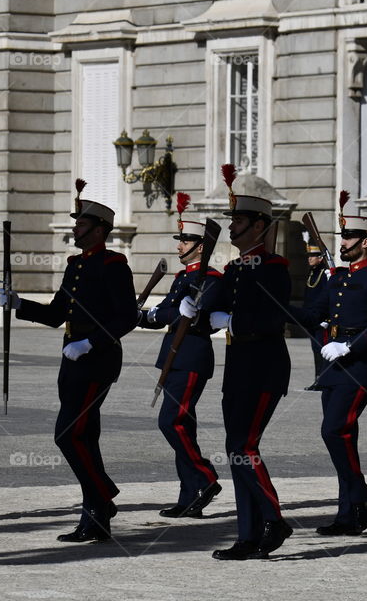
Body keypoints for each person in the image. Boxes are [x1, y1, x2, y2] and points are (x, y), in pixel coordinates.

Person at [0, 180, 137, 543]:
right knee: (84, 436)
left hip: (97, 358)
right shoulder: (75, 265)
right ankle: (96, 513)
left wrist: (91, 341)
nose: (74, 229)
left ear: (99, 229)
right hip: (72, 357)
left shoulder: (114, 264)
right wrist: (18, 304)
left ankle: (101, 499)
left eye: (80, 224)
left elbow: (127, 317)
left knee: (67, 433)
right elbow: (57, 314)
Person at [294, 193, 367, 535]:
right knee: (342, 437)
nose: (343, 243)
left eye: (348, 238)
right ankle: (348, 513)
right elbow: (312, 314)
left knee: (334, 429)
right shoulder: (337, 278)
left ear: (365, 242)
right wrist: (274, 303)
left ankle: (360, 495)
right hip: (333, 368)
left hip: (359, 365)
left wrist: (350, 345)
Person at [208, 168, 292, 560]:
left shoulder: (273, 268)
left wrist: (232, 320)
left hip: (263, 367)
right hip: (238, 368)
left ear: (259, 226)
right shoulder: (236, 268)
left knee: (244, 445)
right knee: (234, 448)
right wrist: (193, 302)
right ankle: (247, 536)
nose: (232, 228)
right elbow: (211, 301)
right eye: (232, 221)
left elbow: (274, 319)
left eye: (239, 221)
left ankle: (274, 520)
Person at [138, 194, 222, 518]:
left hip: (191, 359)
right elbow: (164, 313)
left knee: (170, 422)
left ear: (201, 246)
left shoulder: (211, 279)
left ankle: (206, 477)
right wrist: (141, 315)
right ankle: (190, 496)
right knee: (183, 426)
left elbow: (201, 314)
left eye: (185, 240)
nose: (179, 246)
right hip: (173, 357)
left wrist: (170, 313)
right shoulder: (181, 278)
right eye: (180, 239)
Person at [300, 237, 331, 391]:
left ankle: (324, 379)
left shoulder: (325, 274)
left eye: (312, 256)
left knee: (322, 350)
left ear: (320, 258)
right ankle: (318, 378)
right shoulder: (312, 274)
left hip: (321, 320)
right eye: (308, 256)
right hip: (311, 319)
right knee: (315, 350)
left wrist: (326, 318)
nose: (309, 259)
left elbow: (329, 298)